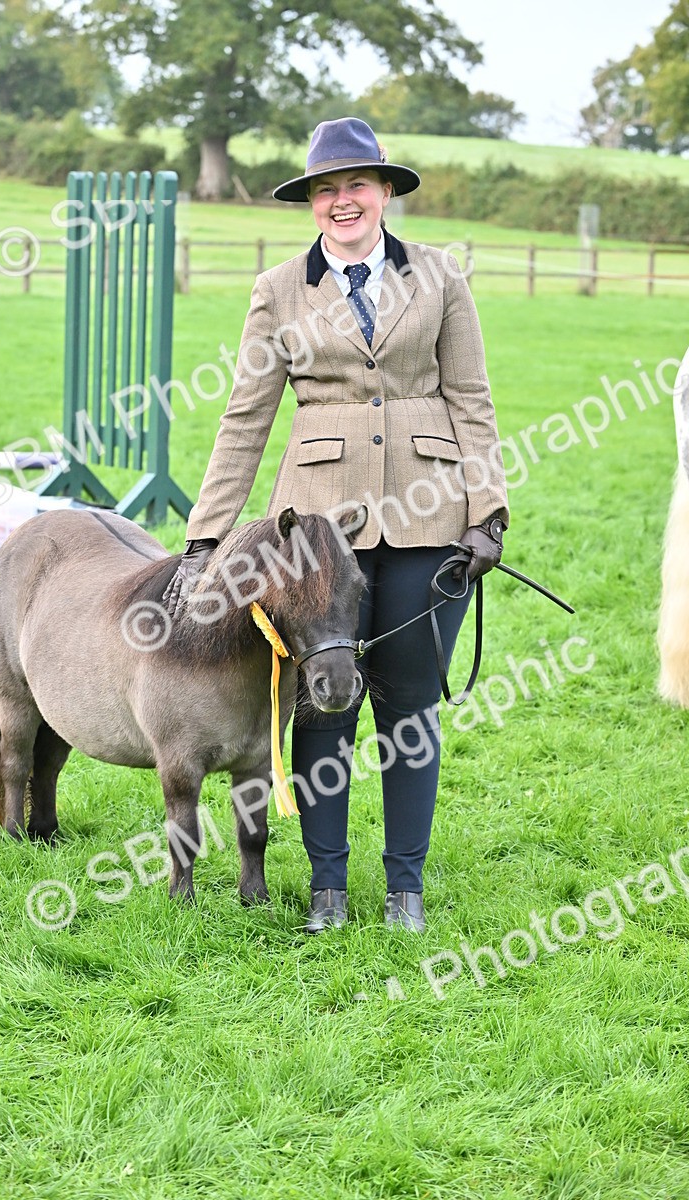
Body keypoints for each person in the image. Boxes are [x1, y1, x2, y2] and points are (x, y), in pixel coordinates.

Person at [164, 117, 509, 934]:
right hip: (315, 538)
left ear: (385, 191)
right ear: (312, 202)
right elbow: (245, 417)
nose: (342, 200)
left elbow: (472, 400)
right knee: (324, 706)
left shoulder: (442, 277)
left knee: (411, 708)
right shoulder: (278, 289)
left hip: (431, 519)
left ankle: (404, 892)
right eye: (326, 190)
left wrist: (489, 512)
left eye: (356, 184)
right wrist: (206, 537)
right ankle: (328, 891)